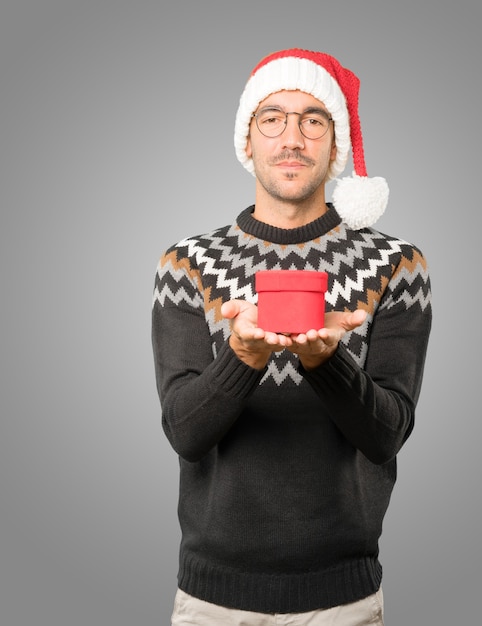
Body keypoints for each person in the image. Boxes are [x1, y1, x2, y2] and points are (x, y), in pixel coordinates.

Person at [152, 48, 432, 625]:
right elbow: (184, 430)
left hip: (343, 600)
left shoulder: (395, 264)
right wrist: (243, 356)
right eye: (271, 118)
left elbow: (386, 435)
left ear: (335, 144)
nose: (292, 138)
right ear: (247, 140)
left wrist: (327, 362)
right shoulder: (188, 265)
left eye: (313, 119)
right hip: (211, 601)